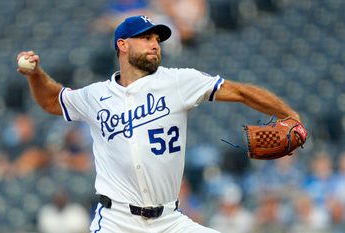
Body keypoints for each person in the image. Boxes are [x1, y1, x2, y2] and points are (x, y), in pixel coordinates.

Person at [17, 15, 301, 233]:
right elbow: (53, 101)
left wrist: (290, 115)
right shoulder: (96, 95)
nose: (155, 44)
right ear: (123, 44)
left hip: (169, 220)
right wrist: (36, 75)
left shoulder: (178, 81)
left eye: (157, 39)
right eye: (146, 38)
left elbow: (239, 91)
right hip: (117, 221)